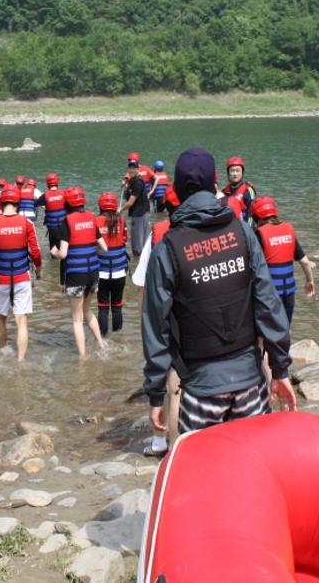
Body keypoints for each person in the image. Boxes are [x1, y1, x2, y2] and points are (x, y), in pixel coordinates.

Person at [143, 147, 296, 438]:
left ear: (177, 190)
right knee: (254, 458)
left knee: (203, 464)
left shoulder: (167, 249)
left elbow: (155, 326)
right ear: (215, 185)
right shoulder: (243, 233)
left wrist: (155, 393)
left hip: (201, 388)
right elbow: (268, 304)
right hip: (249, 381)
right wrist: (280, 369)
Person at [131, 184, 181, 458]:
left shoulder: (158, 233)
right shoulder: (201, 230)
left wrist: (145, 319)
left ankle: (163, 442)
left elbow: (140, 283)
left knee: (167, 381)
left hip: (164, 317)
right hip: (196, 318)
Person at [0, 184, 43, 361]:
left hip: (0, 278)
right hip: (22, 277)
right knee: (21, 320)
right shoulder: (27, 223)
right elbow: (35, 252)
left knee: (1, 317)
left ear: (1, 202)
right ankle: (20, 361)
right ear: (18, 202)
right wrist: (39, 269)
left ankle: (2, 352)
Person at [51, 187, 109, 357]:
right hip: (93, 273)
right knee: (87, 310)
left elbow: (63, 254)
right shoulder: (91, 217)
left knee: (77, 319)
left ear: (67, 204)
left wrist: (54, 252)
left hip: (77, 274)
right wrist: (88, 252)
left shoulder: (66, 221)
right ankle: (101, 344)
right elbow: (104, 248)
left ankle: (82, 358)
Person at [252, 196, 315, 322]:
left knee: (268, 328)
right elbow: (305, 262)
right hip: (289, 292)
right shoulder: (288, 229)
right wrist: (310, 281)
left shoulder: (259, 234)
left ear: (256, 217)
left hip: (270, 293)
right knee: (285, 327)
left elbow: (253, 266)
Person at [96, 191, 129, 336]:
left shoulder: (96, 221)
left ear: (100, 206)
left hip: (101, 272)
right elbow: (125, 239)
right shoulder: (121, 220)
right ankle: (118, 337)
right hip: (119, 271)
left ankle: (103, 338)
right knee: (117, 306)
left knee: (103, 307)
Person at [119, 153, 150, 257]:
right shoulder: (131, 181)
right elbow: (127, 196)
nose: (131, 170)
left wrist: (120, 210)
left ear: (138, 169)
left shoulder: (138, 182)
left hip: (140, 214)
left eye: (134, 168)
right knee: (141, 243)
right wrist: (125, 186)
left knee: (137, 246)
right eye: (130, 168)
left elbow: (130, 202)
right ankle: (141, 261)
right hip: (140, 212)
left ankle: (138, 262)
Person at [36, 172, 67, 249]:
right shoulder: (64, 193)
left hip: (52, 228)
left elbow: (36, 203)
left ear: (47, 183)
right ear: (57, 182)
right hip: (64, 227)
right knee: (64, 248)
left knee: (54, 249)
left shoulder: (45, 196)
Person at [222, 156, 256, 223]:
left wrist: (247, 229)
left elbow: (251, 216)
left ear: (242, 173)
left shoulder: (248, 191)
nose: (235, 174)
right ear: (228, 173)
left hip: (244, 225)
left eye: (237, 171)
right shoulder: (224, 191)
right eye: (232, 171)